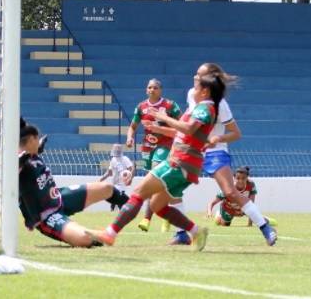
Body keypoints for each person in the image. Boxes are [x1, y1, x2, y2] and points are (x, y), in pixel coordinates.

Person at [94, 74, 228, 251]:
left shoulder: (204, 108)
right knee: (158, 206)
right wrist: (160, 128)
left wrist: (164, 118)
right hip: (187, 165)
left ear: (205, 92)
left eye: (196, 88)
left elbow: (188, 128)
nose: (192, 91)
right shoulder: (201, 108)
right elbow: (184, 133)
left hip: (179, 162)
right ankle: (196, 232)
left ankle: (109, 234)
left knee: (138, 193)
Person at [169, 63, 277, 246]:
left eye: (199, 75)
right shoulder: (191, 94)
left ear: (209, 80)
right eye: (195, 74)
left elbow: (236, 133)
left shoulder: (220, 104)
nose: (195, 77)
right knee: (172, 187)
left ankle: (265, 226)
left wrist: (218, 137)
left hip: (215, 151)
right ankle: (182, 234)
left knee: (230, 192)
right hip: (192, 148)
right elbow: (188, 120)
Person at [18, 120, 128, 247]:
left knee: (107, 188)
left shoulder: (32, 154)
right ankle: (99, 234)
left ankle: (132, 206)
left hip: (59, 198)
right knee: (84, 239)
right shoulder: (19, 160)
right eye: (37, 139)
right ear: (32, 140)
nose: (39, 142)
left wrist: (37, 148)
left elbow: (27, 141)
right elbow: (15, 167)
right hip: (47, 217)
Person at [125, 79, 182, 232]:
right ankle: (167, 214)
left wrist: (164, 127)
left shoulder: (170, 106)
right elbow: (133, 126)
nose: (152, 90)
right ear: (146, 90)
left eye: (155, 87)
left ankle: (146, 219)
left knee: (154, 178)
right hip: (147, 146)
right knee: (159, 184)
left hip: (165, 146)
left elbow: (182, 124)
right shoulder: (141, 107)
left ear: (161, 90)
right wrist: (129, 137)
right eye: (149, 87)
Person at [207, 166, 277, 227]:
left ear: (247, 178)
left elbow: (251, 204)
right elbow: (212, 203)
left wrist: (250, 223)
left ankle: (265, 218)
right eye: (238, 178)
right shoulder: (228, 188)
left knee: (260, 221)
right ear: (234, 178)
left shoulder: (251, 185)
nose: (240, 181)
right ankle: (219, 215)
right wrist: (209, 213)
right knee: (224, 224)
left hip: (243, 209)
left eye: (243, 178)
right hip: (229, 209)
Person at [99, 144, 135, 210]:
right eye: (116, 148)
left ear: (121, 150)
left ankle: (122, 211)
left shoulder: (125, 159)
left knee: (118, 199)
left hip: (122, 183)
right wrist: (102, 178)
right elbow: (109, 172)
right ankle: (115, 211)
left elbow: (132, 168)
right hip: (114, 183)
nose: (117, 150)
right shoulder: (113, 159)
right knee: (115, 200)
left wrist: (130, 178)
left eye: (118, 149)